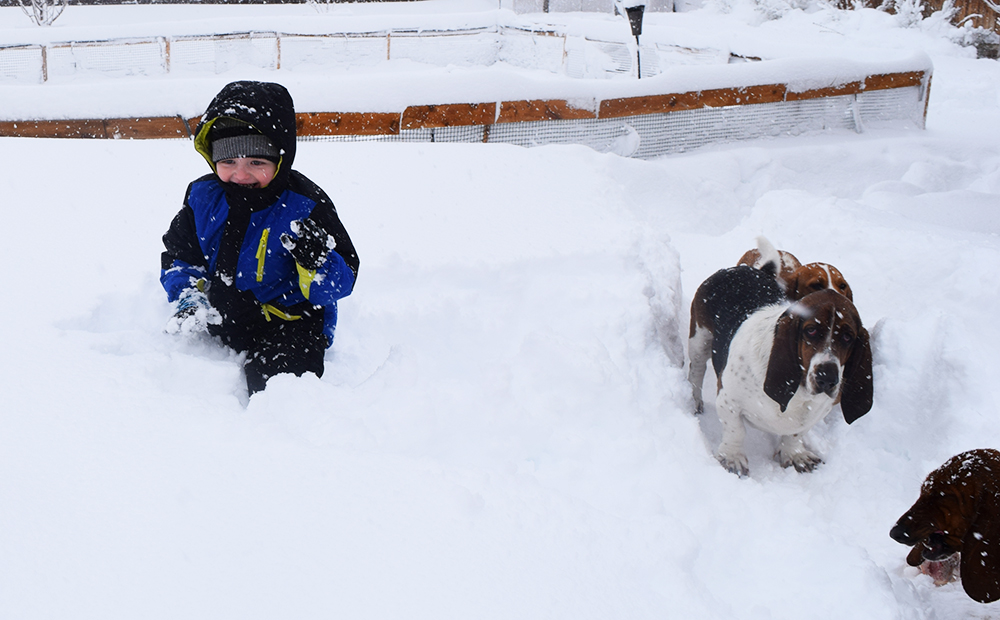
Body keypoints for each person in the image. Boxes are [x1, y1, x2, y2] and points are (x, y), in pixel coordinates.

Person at [160, 80, 359, 395]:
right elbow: (181, 255)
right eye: (228, 162)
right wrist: (189, 293)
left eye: (256, 162)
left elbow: (343, 279)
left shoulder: (305, 205)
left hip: (290, 322)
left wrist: (316, 261)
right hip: (223, 315)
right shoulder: (203, 196)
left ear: (280, 159)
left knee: (278, 391)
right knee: (181, 384)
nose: (241, 174)